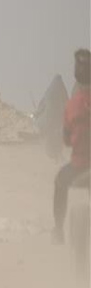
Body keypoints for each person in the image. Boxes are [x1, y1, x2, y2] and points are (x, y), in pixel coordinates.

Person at [52, 49, 90, 245]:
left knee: (60, 182)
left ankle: (58, 229)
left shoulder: (72, 104)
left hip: (79, 166)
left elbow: (66, 140)